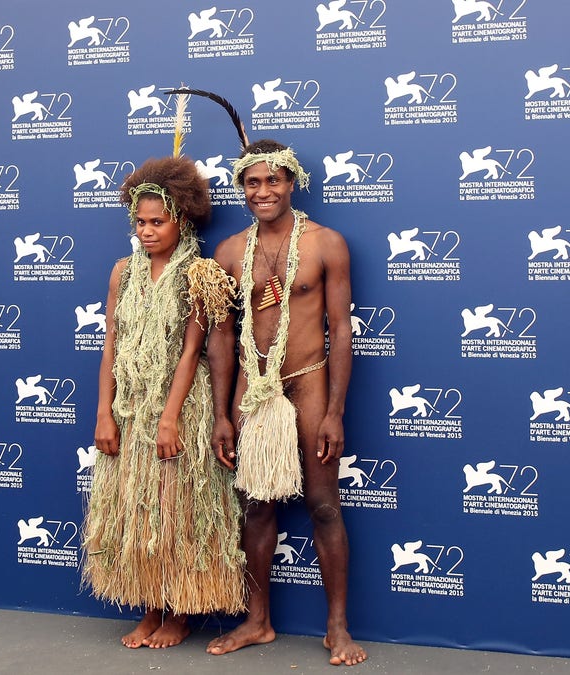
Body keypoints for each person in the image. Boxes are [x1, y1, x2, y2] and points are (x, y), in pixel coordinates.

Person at [205, 139, 366, 666]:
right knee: (255, 507)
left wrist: (336, 411)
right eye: (253, 182)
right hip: (255, 390)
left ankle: (336, 627)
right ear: (241, 188)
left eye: (274, 180)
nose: (264, 191)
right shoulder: (228, 253)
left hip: (311, 382)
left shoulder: (325, 244)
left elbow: (340, 330)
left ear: (292, 182)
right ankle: (258, 621)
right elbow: (222, 339)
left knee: (323, 505)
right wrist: (222, 412)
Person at [82, 155, 246, 649]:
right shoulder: (122, 272)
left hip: (182, 410)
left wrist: (170, 418)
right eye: (140, 221)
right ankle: (151, 606)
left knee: (176, 511)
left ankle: (179, 611)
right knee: (139, 511)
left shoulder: (202, 273)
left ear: (183, 219)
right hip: (130, 406)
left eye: (157, 222)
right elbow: (111, 343)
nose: (147, 231)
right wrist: (103, 412)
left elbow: (193, 350)